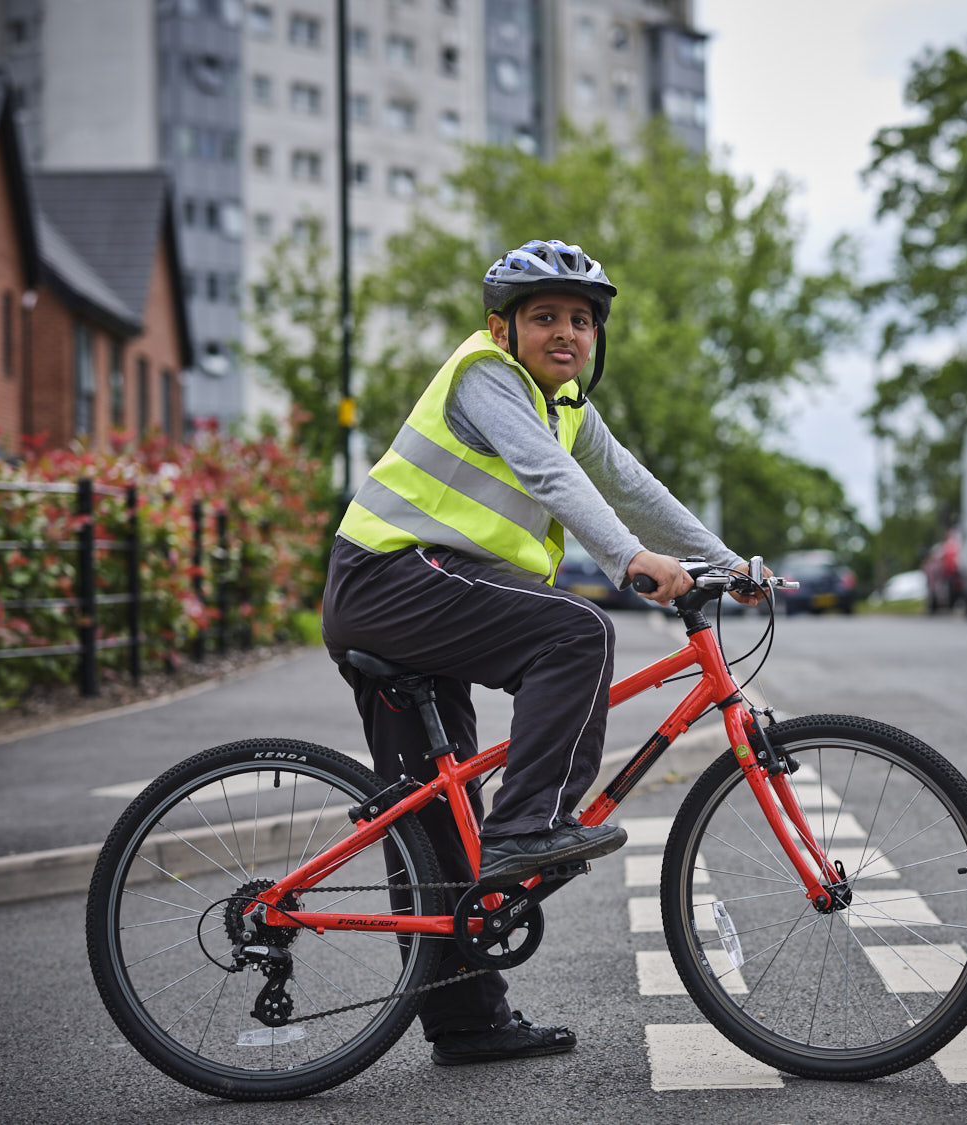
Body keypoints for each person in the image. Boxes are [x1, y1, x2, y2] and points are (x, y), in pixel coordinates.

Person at [321, 238, 762, 1066]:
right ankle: (527, 826)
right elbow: (553, 480)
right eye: (545, 317)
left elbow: (631, 485)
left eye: (582, 320)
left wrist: (730, 564)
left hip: (422, 588)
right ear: (503, 327)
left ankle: (468, 1021)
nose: (567, 332)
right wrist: (629, 560)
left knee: (431, 815)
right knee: (578, 630)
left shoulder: (565, 406)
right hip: (387, 580)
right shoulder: (487, 377)